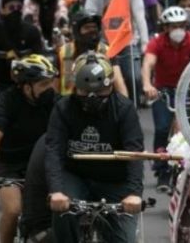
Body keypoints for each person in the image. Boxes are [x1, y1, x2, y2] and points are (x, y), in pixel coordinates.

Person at [45, 53, 144, 242]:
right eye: (85, 92)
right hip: (76, 176)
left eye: (100, 92)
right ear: (76, 87)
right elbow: (54, 150)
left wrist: (134, 194)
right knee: (62, 218)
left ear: (110, 85)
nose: (92, 97)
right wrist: (56, 190)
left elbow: (134, 153)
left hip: (115, 180)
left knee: (124, 239)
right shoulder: (63, 108)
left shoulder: (124, 109)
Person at [0, 55, 59, 243]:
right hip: (10, 166)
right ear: (26, 87)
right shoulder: (7, 101)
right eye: (43, 84)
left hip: (43, 165)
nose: (49, 88)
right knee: (13, 210)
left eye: (51, 83)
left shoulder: (56, 102)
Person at [142, 6, 190, 191]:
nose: (177, 29)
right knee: (161, 128)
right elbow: (148, 63)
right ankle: (161, 171)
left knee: (188, 130)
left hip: (187, 90)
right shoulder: (157, 43)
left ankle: (186, 167)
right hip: (163, 90)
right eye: (173, 26)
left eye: (181, 25)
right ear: (166, 28)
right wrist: (147, 84)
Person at [84, 0, 149, 102]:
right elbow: (89, 19)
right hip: (104, 43)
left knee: (135, 78)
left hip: (128, 42)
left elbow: (140, 17)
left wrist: (145, 43)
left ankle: (133, 108)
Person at [0, 0, 44, 98]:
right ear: (3, 10)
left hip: (26, 86)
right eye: (11, 7)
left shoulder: (32, 31)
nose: (15, 11)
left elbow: (39, 59)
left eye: (19, 7)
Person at [57, 11, 129, 97]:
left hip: (101, 101)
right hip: (70, 103)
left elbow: (119, 83)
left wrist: (126, 107)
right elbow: (55, 86)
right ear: (77, 31)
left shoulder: (107, 51)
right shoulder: (63, 52)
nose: (92, 31)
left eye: (94, 27)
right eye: (87, 28)